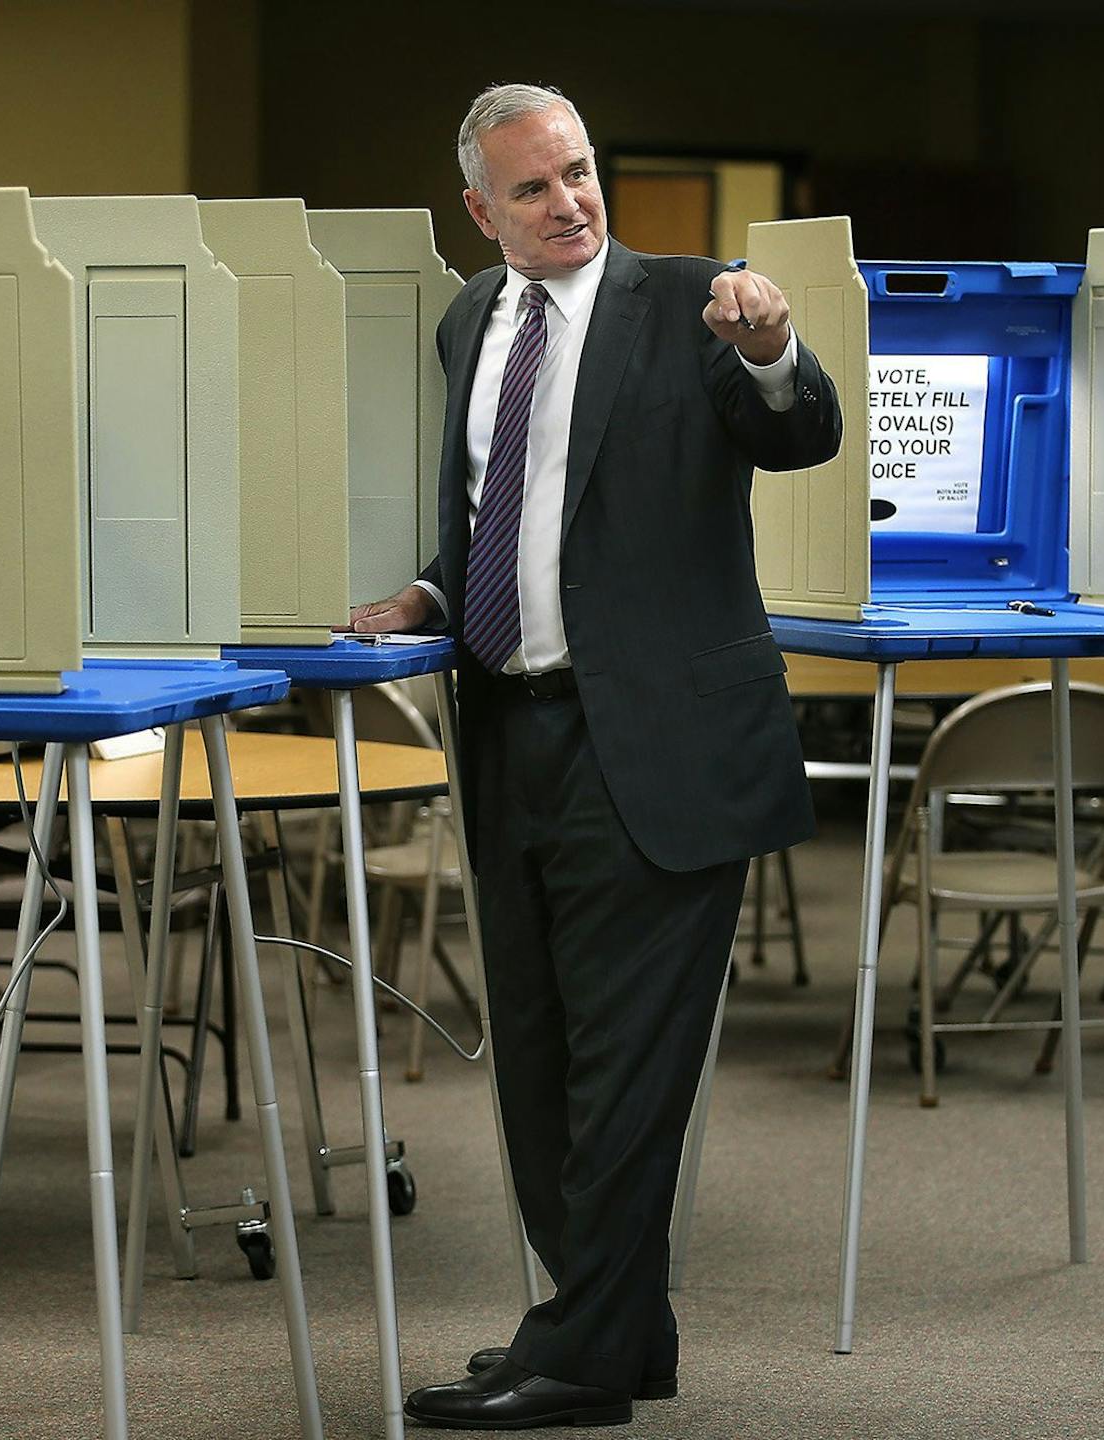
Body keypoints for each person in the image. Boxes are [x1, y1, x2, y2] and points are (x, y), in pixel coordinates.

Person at [350, 81, 842, 1430]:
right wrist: (431, 599)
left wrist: (772, 348)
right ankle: (619, 1335)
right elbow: (499, 521)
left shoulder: (692, 305)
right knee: (541, 1063)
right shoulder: (469, 319)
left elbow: (800, 432)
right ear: (480, 211)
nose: (568, 201)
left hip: (662, 746)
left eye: (577, 172)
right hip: (511, 731)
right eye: (533, 187)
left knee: (629, 1071)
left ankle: (575, 1353)